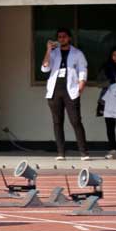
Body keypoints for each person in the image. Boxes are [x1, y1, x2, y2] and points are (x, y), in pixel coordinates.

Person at [41, 28, 89, 160]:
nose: (62, 39)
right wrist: (48, 50)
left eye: (64, 36)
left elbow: (83, 70)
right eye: (59, 37)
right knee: (57, 122)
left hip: (71, 90)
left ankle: (84, 153)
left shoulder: (77, 53)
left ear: (69, 38)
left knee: (76, 121)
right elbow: (45, 67)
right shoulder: (53, 53)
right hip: (55, 91)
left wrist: (80, 86)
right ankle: (61, 152)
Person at [100, 46, 116, 159]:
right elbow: (99, 82)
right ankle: (112, 150)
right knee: (110, 125)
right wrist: (110, 81)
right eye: (114, 55)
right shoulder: (106, 67)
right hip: (109, 97)